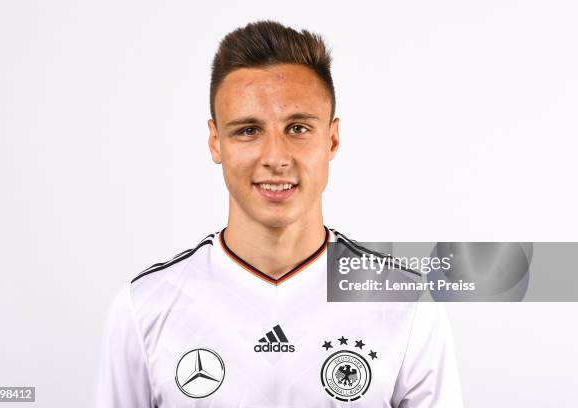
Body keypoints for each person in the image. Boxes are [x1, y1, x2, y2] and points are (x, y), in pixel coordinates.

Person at [94, 20, 463, 407]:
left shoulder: (406, 305)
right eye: (248, 131)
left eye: (298, 128)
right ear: (215, 142)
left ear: (332, 139)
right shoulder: (144, 308)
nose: (275, 158)